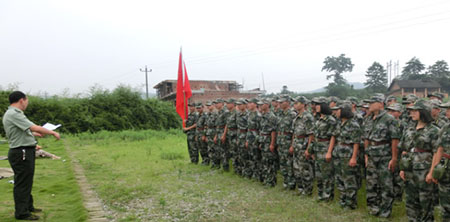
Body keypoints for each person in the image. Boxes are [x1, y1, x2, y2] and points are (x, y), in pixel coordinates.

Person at [2, 91, 60, 220]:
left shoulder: (13, 114)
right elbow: (34, 127)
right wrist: (51, 132)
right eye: (26, 100)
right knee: (22, 183)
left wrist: (34, 134)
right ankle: (22, 213)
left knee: (26, 181)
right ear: (22, 100)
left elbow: (21, 131)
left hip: (23, 151)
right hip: (21, 152)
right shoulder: (14, 114)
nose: (27, 103)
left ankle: (28, 206)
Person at [397, 99, 438, 221]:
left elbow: (436, 153)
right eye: (411, 111)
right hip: (410, 170)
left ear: (424, 112)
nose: (412, 113)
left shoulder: (434, 130)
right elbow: (404, 149)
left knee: (425, 202)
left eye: (415, 111)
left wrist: (432, 172)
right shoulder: (409, 129)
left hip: (424, 171)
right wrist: (402, 168)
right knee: (410, 201)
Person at [364, 93, 400, 218]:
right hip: (371, 155)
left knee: (386, 184)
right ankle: (374, 207)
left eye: (372, 103)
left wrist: (394, 158)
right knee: (371, 182)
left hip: (384, 156)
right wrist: (366, 156)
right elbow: (366, 138)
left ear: (380, 104)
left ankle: (385, 211)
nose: (369, 105)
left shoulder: (389, 119)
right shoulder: (369, 119)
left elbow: (395, 139)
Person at [307, 97, 338, 201]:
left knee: (327, 175)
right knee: (319, 175)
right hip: (317, 148)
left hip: (325, 148)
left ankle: (328, 196)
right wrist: (311, 150)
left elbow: (333, 137)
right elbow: (314, 136)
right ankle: (321, 195)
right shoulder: (319, 119)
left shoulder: (331, 120)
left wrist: (329, 152)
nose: (316, 106)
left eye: (318, 105)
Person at [334, 102, 361, 209]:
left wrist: (354, 157)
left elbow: (356, 142)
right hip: (338, 153)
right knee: (339, 178)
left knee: (349, 179)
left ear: (344, 111)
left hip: (348, 154)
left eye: (338, 110)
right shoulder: (339, 123)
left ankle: (351, 203)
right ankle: (343, 199)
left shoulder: (353, 125)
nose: (336, 112)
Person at [429, 101, 450, 220]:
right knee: (445, 199)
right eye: (447, 109)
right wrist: (434, 170)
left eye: (449, 109)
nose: (447, 112)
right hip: (445, 167)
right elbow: (439, 149)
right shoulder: (445, 128)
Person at [291, 96, 315, 195]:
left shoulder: (307, 117)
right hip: (297, 145)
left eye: (297, 103)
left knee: (305, 169)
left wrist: (308, 149)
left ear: (303, 104)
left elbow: (311, 134)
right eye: (295, 103)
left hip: (303, 145)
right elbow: (294, 133)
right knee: (296, 169)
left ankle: (307, 190)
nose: (295, 105)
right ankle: (301, 189)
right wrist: (292, 145)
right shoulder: (297, 117)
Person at [277, 96, 297, 190]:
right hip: (281, 141)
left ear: (288, 102)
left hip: (288, 141)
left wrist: (292, 145)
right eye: (279, 102)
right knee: (283, 163)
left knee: (289, 164)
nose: (280, 104)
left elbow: (294, 132)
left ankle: (291, 184)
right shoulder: (280, 114)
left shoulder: (292, 114)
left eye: (282, 102)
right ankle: (285, 183)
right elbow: (278, 129)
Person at [258, 99, 278, 187]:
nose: (260, 106)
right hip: (263, 140)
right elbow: (261, 130)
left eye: (262, 104)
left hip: (268, 140)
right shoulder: (263, 115)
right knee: (265, 161)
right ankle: (267, 179)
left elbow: (273, 131)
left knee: (270, 162)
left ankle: (271, 181)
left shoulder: (271, 116)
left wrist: (272, 144)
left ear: (267, 105)